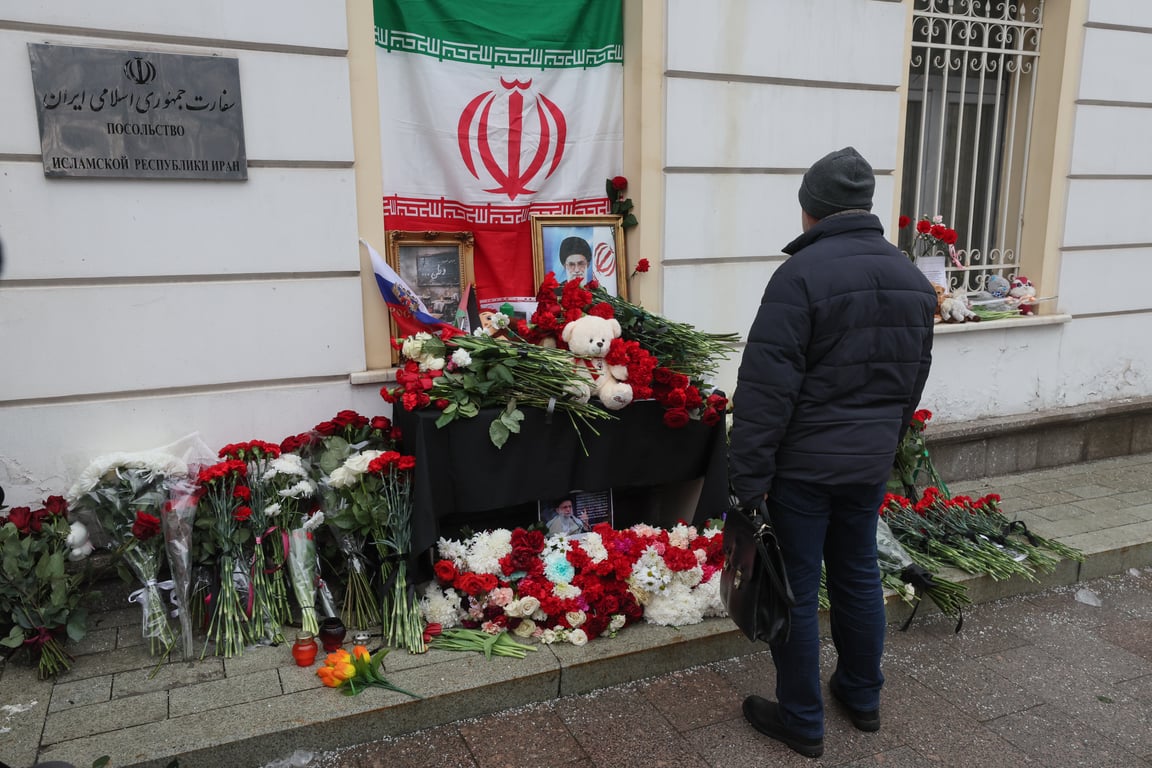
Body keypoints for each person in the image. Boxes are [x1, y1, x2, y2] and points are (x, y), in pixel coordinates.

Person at [727, 146, 936, 759]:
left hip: (804, 470)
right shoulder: (911, 278)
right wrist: (884, 447)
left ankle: (801, 718)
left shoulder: (799, 276)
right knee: (857, 574)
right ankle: (862, 695)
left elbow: (766, 390)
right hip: (866, 463)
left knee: (792, 585)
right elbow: (911, 384)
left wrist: (747, 478)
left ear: (810, 209)